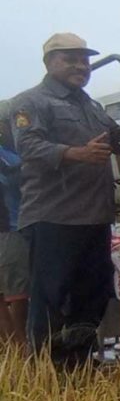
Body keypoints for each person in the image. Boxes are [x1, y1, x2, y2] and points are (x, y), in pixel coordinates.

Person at [10, 33, 120, 362]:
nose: (81, 66)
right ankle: (47, 369)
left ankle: (80, 363)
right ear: (49, 62)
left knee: (93, 293)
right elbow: (28, 147)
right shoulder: (30, 102)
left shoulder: (91, 105)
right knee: (51, 297)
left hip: (95, 216)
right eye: (70, 58)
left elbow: (119, 141)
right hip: (53, 217)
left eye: (85, 60)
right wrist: (76, 153)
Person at [0, 99, 28, 349]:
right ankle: (19, 347)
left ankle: (14, 347)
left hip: (17, 224)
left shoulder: (14, 149)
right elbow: (14, 173)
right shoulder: (6, 154)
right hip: (9, 227)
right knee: (16, 292)